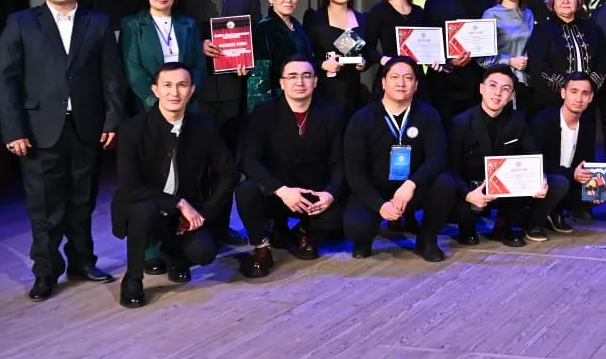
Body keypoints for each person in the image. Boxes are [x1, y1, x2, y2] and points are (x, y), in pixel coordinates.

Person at [0, 0, 126, 299]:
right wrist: (13, 130)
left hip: (87, 126)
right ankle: (46, 271)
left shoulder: (98, 22)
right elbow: (6, 81)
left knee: (83, 201)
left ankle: (82, 261)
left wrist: (112, 119)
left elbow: (112, 77)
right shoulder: (21, 22)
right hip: (38, 129)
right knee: (45, 207)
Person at [111, 63, 236, 308]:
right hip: (144, 205)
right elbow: (129, 186)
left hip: (185, 210)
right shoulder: (132, 130)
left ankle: (175, 256)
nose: (174, 92)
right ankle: (133, 278)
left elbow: (229, 172)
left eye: (182, 85)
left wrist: (203, 214)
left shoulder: (203, 126)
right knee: (142, 211)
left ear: (192, 90)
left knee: (204, 252)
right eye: (167, 85)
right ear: (155, 90)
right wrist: (178, 203)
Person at [235, 56, 345, 278]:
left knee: (345, 217)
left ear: (315, 81)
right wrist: (280, 190)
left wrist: (330, 194)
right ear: (282, 82)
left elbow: (340, 161)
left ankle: (303, 230)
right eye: (292, 76)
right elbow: (249, 159)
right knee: (246, 191)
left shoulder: (332, 114)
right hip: (278, 192)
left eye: (306, 76)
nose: (299, 82)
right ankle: (262, 246)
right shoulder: (264, 113)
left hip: (314, 193)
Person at [343, 57, 458, 261]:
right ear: (383, 82)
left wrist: (411, 184)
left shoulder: (428, 114)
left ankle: (427, 239)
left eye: (408, 78)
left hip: (411, 189)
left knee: (445, 183)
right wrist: (379, 204)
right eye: (394, 77)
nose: (401, 83)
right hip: (376, 189)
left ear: (416, 84)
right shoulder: (362, 118)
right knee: (356, 227)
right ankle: (364, 239)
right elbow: (354, 171)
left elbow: (437, 158)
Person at [178, 0, 261, 152]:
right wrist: (198, 45)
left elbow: (255, 31)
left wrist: (248, 59)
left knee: (232, 150)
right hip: (198, 85)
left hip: (235, 83)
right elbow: (175, 32)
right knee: (198, 150)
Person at [450, 66, 546, 246]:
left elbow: (532, 154)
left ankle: (507, 225)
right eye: (492, 86)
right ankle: (466, 227)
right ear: (481, 89)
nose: (498, 93)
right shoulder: (460, 123)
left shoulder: (518, 120)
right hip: (471, 187)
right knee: (447, 185)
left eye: (505, 89)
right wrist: (467, 194)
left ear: (511, 95)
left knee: (545, 181)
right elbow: (450, 167)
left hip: (504, 186)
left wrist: (541, 178)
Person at [118, 0, 206, 114]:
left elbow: (198, 66)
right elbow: (133, 70)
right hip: (148, 108)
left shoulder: (189, 24)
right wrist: (156, 102)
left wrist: (185, 97)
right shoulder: (132, 24)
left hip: (185, 108)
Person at [424, 0, 497, 120]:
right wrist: (448, 62)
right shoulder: (436, 3)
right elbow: (427, 46)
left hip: (480, 86)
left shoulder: (490, 3)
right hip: (444, 88)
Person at [303, 0, 377, 121]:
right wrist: (322, 64)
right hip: (323, 90)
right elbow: (303, 55)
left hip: (352, 91)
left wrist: (364, 63)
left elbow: (369, 51)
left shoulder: (362, 19)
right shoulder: (314, 19)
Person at [525, 0, 606, 112]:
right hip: (552, 102)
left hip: (588, 101)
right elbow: (538, 66)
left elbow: (604, 61)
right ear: (552, 2)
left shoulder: (592, 28)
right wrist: (568, 89)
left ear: (578, 0)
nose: (566, 1)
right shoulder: (542, 30)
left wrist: (587, 87)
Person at [530, 72, 595, 233]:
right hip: (543, 179)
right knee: (561, 182)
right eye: (574, 92)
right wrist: (573, 174)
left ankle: (555, 211)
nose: (579, 99)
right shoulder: (543, 120)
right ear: (563, 93)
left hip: (569, 179)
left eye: (584, 93)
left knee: (600, 191)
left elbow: (587, 160)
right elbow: (536, 164)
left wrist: (597, 182)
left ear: (591, 97)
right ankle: (532, 221)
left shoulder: (587, 123)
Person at [248, 0, 315, 111]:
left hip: (301, 97)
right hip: (277, 102)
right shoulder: (264, 27)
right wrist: (261, 111)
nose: (288, 0)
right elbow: (260, 76)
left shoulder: (296, 25)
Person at [482, 0, 537, 116]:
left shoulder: (528, 14)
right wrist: (510, 61)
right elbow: (482, 57)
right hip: (500, 84)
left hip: (526, 83)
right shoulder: (490, 14)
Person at [366, 0, 428, 69]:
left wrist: (433, 60)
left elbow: (426, 47)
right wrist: (382, 59)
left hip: (416, 75)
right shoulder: (379, 10)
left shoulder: (419, 12)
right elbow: (368, 47)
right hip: (390, 73)